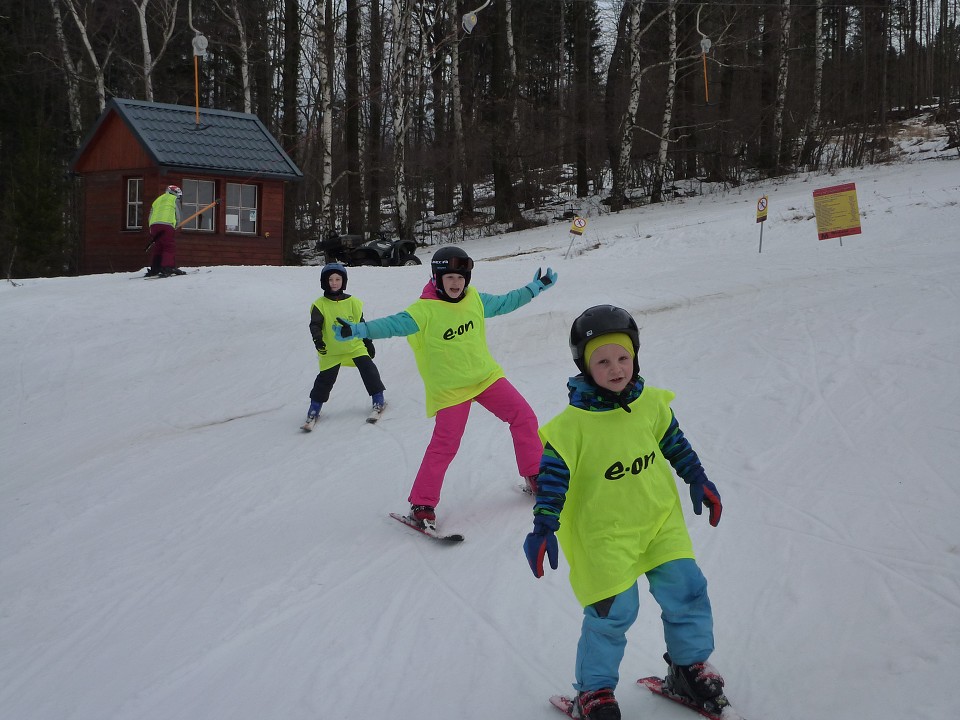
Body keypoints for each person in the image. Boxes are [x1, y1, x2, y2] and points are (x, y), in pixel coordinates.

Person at [523, 305, 728, 720]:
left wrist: (697, 478)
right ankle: (593, 692)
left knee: (687, 591)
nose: (616, 369)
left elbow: (675, 443)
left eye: (623, 358)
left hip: (659, 523)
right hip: (604, 536)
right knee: (613, 613)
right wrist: (543, 526)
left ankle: (687, 669)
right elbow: (552, 481)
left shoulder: (650, 403)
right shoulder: (570, 427)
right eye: (603, 361)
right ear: (584, 365)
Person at [333, 245, 557, 530]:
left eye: (461, 278)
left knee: (523, 417)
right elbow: (393, 325)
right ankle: (422, 505)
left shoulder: (474, 299)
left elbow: (505, 302)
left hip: (485, 378)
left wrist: (536, 287)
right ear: (437, 278)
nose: (456, 283)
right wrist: (359, 330)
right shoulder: (424, 310)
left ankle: (534, 475)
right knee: (445, 446)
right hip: (451, 390)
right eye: (449, 277)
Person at [302, 262, 385, 431]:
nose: (334, 283)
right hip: (331, 350)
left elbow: (361, 323)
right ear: (324, 282)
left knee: (369, 370)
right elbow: (315, 325)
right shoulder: (320, 304)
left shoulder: (354, 302)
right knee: (325, 381)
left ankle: (378, 399)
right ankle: (314, 409)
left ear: (343, 281)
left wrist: (368, 341)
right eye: (330, 279)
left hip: (354, 346)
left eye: (337, 279)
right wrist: (318, 341)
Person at [146, 185, 186, 277]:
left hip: (154, 226)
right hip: (167, 225)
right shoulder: (173, 199)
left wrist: (151, 227)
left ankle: (155, 268)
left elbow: (150, 215)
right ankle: (168, 267)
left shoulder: (158, 200)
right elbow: (179, 215)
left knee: (158, 246)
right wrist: (176, 225)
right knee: (169, 246)